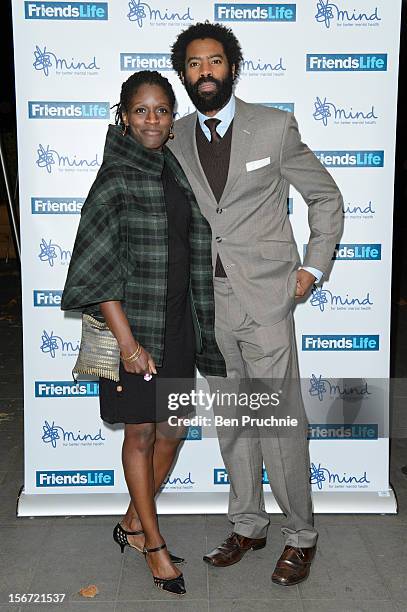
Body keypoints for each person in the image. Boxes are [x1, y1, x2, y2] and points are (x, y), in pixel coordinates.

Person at [169, 23, 343, 586]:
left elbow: (325, 196)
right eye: (194, 64)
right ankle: (248, 524)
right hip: (206, 304)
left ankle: (301, 536)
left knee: (280, 424)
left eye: (214, 61)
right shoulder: (171, 137)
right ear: (184, 74)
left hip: (266, 300)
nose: (205, 72)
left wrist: (312, 269)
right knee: (234, 425)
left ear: (232, 66)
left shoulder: (272, 127)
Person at [61, 70, 226, 596]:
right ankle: (153, 545)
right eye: (141, 111)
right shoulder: (114, 178)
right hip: (134, 330)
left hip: (179, 323)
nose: (152, 120)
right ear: (124, 117)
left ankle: (133, 523)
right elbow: (95, 270)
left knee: (173, 431)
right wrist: (128, 345)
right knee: (141, 433)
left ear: (170, 121)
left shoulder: (172, 170)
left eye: (160, 111)